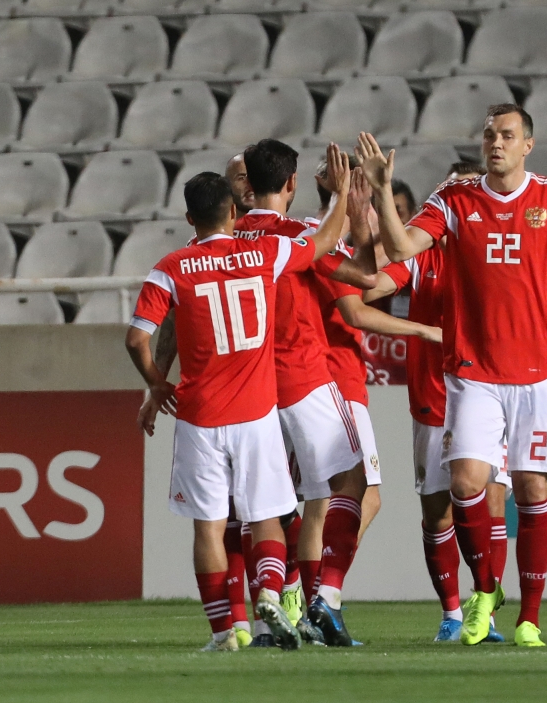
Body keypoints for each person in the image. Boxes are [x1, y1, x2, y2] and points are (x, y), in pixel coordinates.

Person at [357, 104, 547, 648]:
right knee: (465, 482)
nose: (496, 143)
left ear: (527, 145)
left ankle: (530, 618)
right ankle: (485, 588)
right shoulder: (454, 201)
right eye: (489, 134)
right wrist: (381, 190)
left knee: (533, 489)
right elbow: (400, 249)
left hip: (538, 376)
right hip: (474, 373)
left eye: (507, 135)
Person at [124, 162, 348, 652]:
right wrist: (343, 192)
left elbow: (137, 338)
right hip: (255, 411)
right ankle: (270, 592)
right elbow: (325, 241)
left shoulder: (170, 267)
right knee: (266, 517)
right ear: (232, 210)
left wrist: (157, 385)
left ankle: (227, 631)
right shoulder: (263, 254)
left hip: (200, 416)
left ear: (189, 218)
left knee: (209, 526)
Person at [365, 161, 512, 643]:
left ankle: (484, 610)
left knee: (491, 504)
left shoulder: (493, 251)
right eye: (445, 193)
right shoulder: (420, 257)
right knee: (437, 513)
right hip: (432, 400)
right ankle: (452, 612)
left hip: (490, 395)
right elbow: (375, 287)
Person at [235, 139, 373, 647]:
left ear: (247, 184)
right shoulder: (298, 236)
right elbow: (363, 276)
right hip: (304, 378)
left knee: (271, 505)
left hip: (249, 388)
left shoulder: (228, 241)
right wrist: (346, 201)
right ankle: (326, 601)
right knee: (350, 483)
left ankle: (273, 605)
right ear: (292, 184)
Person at [308, 164, 443, 548]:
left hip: (313, 380)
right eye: (376, 201)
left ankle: (302, 589)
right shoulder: (330, 243)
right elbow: (358, 304)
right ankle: (315, 589)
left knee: (318, 500)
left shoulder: (310, 237)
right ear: (358, 195)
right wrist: (423, 330)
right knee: (357, 496)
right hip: (334, 380)